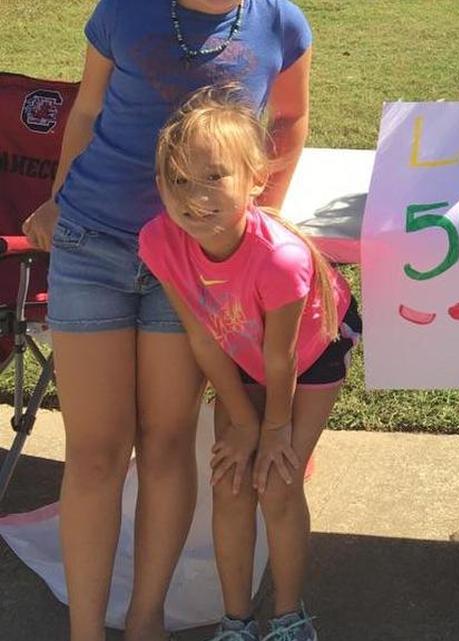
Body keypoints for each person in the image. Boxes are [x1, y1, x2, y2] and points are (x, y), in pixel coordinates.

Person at [20, 1, 312, 639]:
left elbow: (288, 119)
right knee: (95, 454)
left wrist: (260, 222)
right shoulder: (123, 10)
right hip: (92, 241)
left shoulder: (281, 23)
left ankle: (146, 618)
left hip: (191, 263)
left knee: (166, 444)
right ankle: (87, 631)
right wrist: (56, 197)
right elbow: (89, 111)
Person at [140, 84, 358, 641]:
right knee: (232, 482)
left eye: (215, 177)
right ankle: (236, 621)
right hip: (237, 351)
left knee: (278, 483)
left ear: (257, 180)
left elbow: (280, 356)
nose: (195, 196)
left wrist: (273, 430)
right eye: (179, 180)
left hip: (307, 354)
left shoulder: (280, 260)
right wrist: (241, 422)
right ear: (160, 184)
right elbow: (203, 337)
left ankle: (289, 617)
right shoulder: (159, 241)